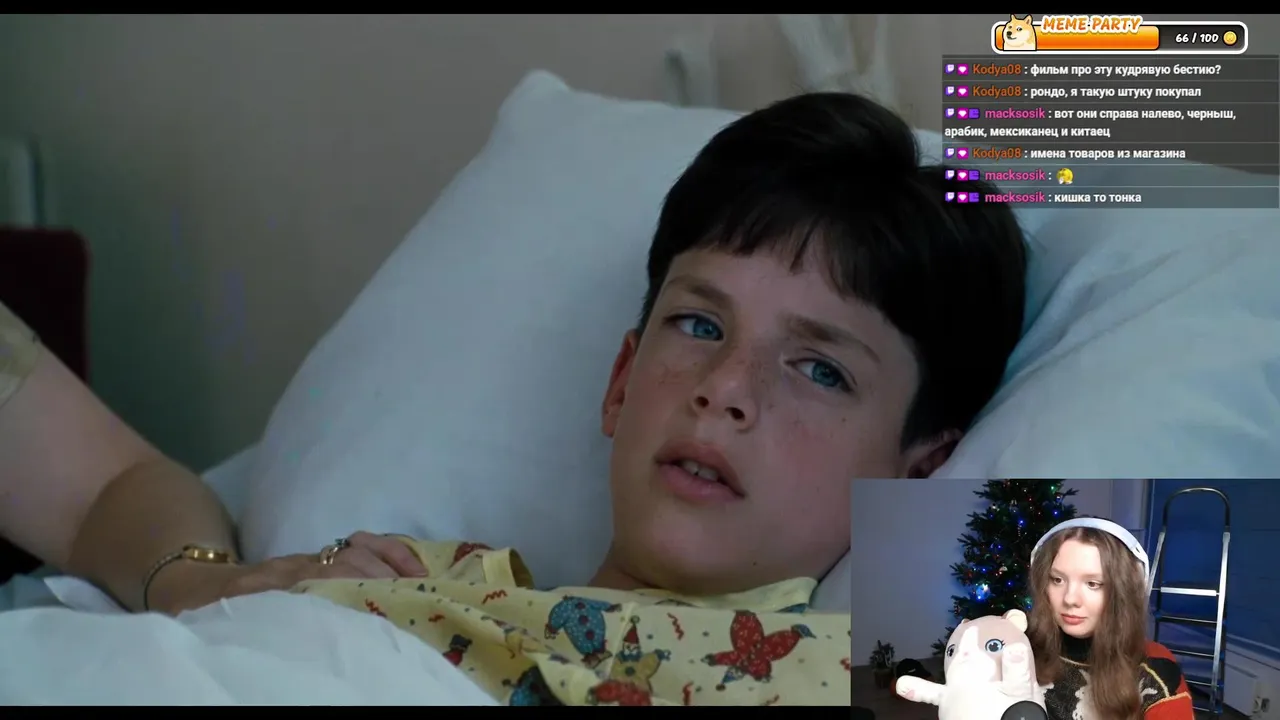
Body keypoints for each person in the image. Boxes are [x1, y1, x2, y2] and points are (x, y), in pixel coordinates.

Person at [0, 90, 1028, 705]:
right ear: (620, 382)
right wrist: (217, 585)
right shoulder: (396, 574)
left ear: (918, 473)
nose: (724, 390)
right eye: (698, 325)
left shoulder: (867, 677)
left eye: (819, 370)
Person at [1027, 518, 1194, 720]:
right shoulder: (1021, 649)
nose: (1070, 599)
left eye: (1093, 584)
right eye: (1057, 580)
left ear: (1123, 592)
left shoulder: (1156, 670)